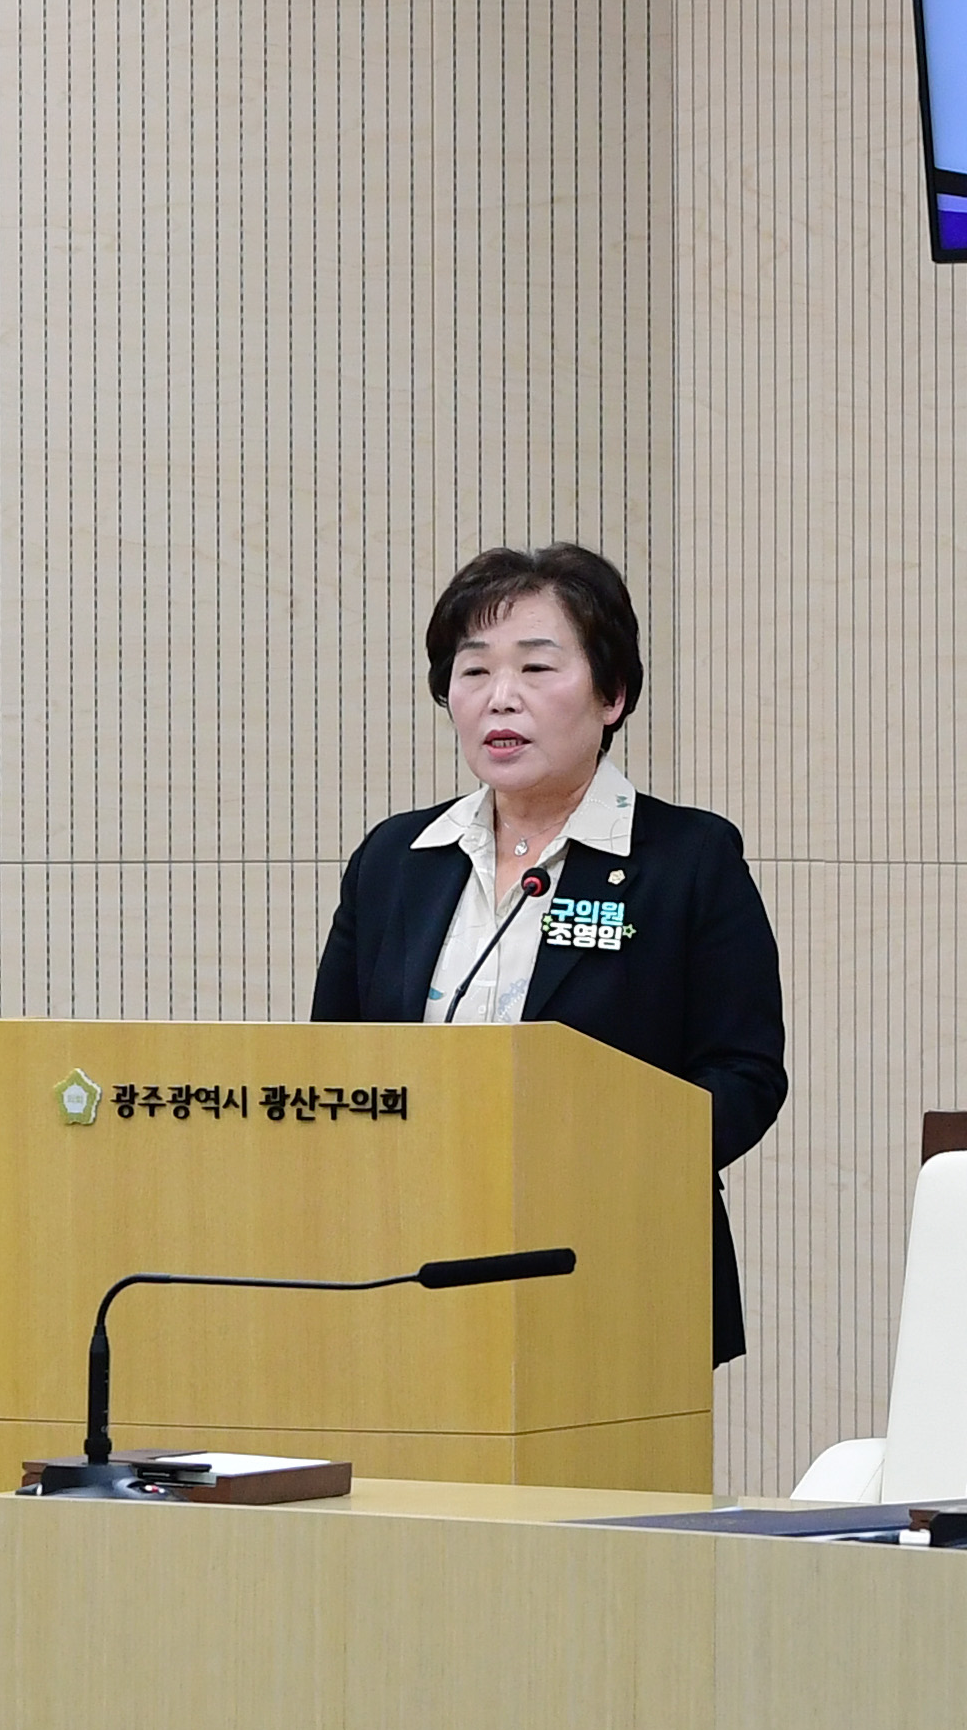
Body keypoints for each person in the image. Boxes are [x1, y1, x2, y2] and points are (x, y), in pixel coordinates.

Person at [312, 545, 788, 1364]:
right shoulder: (397, 859)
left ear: (613, 694)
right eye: (473, 672)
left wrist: (595, 1156)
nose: (502, 698)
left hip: (615, 1270)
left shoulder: (686, 858)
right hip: (405, 1266)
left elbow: (743, 1075)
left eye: (537, 668)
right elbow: (333, 1062)